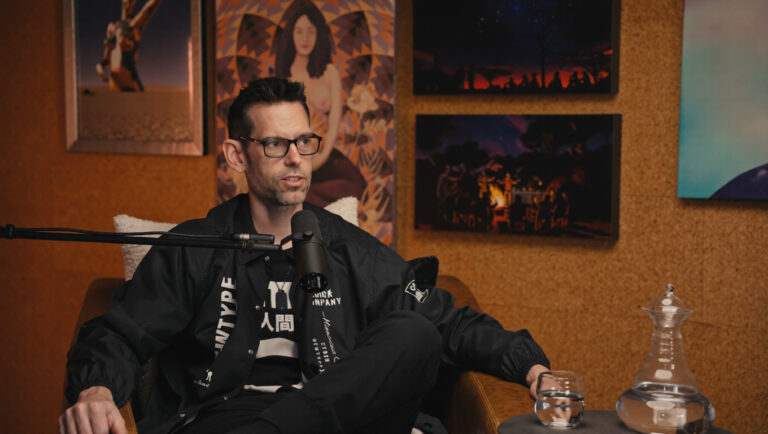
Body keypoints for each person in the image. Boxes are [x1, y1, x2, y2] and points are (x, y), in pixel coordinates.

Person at [60, 78, 550, 434]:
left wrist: (532, 368)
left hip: (337, 417)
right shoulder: (197, 246)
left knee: (414, 332)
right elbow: (118, 332)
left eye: (304, 141)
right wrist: (97, 389)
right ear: (236, 155)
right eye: (275, 143)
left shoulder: (345, 246)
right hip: (227, 415)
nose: (296, 157)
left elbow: (446, 321)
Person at [273, 0, 366, 206]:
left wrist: (321, 158)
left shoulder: (329, 72)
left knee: (353, 185)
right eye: (299, 32)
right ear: (291, 35)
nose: (305, 39)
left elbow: (334, 123)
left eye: (311, 32)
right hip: (292, 154)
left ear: (319, 35)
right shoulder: (284, 75)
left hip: (324, 153)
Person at [96, 0, 163, 92]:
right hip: (116, 83)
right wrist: (100, 69)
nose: (129, 3)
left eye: (132, 1)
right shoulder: (115, 28)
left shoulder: (134, 26)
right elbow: (106, 59)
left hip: (130, 81)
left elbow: (148, 9)